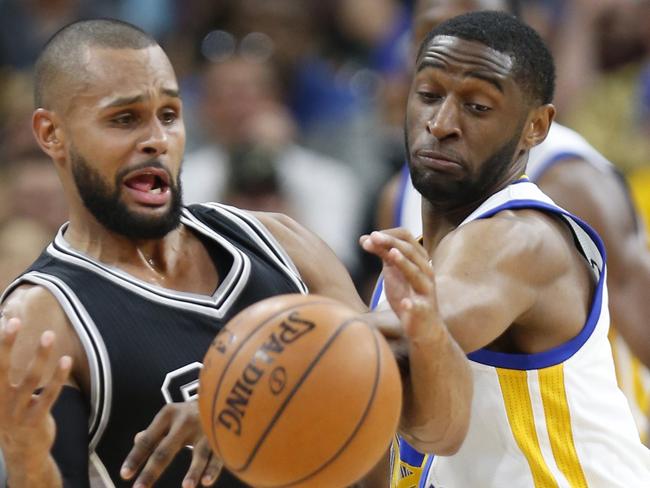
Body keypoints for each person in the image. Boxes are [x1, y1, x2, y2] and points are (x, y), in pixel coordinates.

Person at [0, 19, 409, 488]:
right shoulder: (42, 319)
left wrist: (242, 401)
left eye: (169, 114)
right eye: (124, 119)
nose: (156, 138)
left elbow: (388, 378)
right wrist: (26, 465)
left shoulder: (277, 241)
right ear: (52, 133)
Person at [362, 10, 650, 487]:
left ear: (536, 126)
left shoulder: (530, 224)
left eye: (477, 106)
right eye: (430, 95)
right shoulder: (399, 208)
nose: (441, 123)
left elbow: (414, 338)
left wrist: (235, 386)